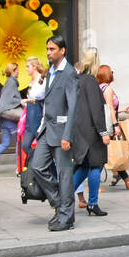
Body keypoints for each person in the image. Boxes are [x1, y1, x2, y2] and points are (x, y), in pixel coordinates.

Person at [32, 35, 79, 231]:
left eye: (52, 49)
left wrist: (67, 135)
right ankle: (59, 204)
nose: (48, 52)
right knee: (37, 166)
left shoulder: (68, 73)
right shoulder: (51, 72)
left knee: (65, 175)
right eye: (47, 49)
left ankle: (66, 218)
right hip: (47, 129)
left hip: (61, 133)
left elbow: (73, 106)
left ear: (62, 50)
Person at [70, 48, 111, 217]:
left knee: (84, 166)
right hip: (92, 132)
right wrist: (103, 132)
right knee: (95, 165)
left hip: (79, 130)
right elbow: (97, 109)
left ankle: (62, 196)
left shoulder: (77, 80)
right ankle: (93, 203)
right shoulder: (91, 82)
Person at [99, 65, 129, 190]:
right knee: (104, 155)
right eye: (111, 72)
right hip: (109, 125)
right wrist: (116, 126)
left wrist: (121, 110)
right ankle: (93, 185)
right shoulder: (108, 89)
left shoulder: (100, 88)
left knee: (112, 153)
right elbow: (109, 108)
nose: (113, 74)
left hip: (104, 124)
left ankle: (126, 179)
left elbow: (109, 108)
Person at [0, 62, 24, 174]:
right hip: (10, 119)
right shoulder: (12, 82)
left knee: (6, 143)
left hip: (3, 119)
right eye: (16, 70)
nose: (18, 72)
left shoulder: (8, 83)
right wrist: (20, 101)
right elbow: (10, 100)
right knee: (19, 141)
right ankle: (19, 167)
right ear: (12, 71)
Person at [21, 56, 47, 172]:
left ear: (34, 67)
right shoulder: (32, 81)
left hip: (37, 114)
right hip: (30, 115)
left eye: (28, 66)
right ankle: (36, 163)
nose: (26, 69)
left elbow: (39, 95)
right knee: (25, 144)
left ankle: (39, 164)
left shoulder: (41, 79)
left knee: (39, 140)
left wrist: (28, 100)